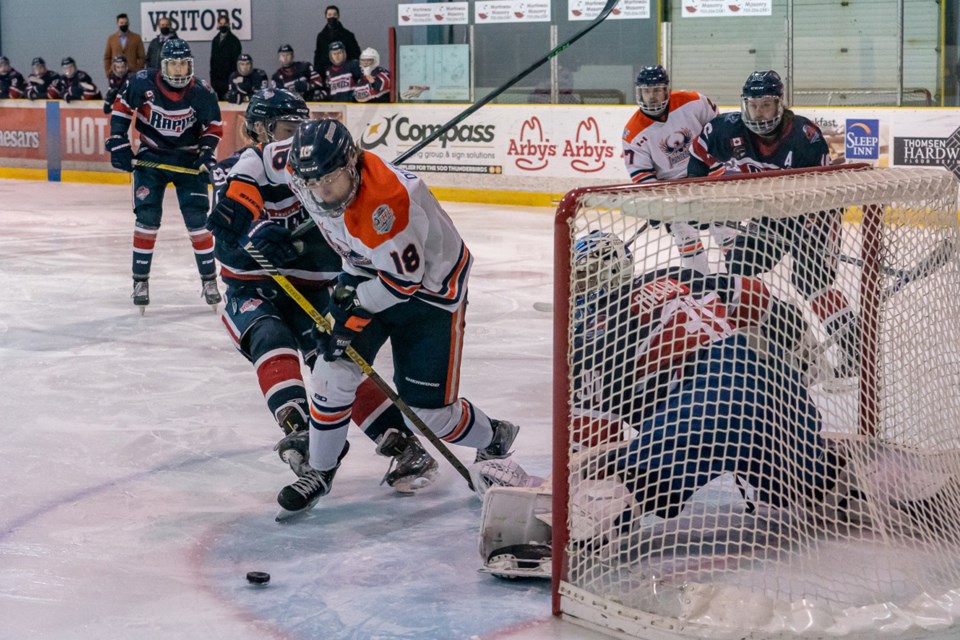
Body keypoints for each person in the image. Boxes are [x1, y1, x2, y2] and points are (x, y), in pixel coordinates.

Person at [208, 118, 519, 517]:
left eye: (331, 181)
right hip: (368, 273)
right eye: (312, 183)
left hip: (431, 295)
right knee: (330, 371)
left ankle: (494, 435)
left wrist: (346, 315)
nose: (321, 193)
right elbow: (257, 159)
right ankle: (320, 472)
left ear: (352, 163)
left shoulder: (387, 205)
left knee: (430, 412)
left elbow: (401, 285)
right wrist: (242, 202)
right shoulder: (308, 164)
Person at [206, 89, 439, 498]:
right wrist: (257, 233)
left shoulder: (317, 173)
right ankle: (299, 429)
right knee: (268, 336)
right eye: (286, 129)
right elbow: (226, 236)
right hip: (252, 285)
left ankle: (399, 441)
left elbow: (344, 248)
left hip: (312, 287)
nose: (295, 139)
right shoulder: (235, 170)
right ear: (260, 129)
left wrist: (323, 229)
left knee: (333, 357)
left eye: (300, 128)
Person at [687, 70, 859, 375]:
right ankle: (758, 351)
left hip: (815, 215)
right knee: (739, 270)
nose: (758, 112)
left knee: (811, 282)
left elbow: (822, 196)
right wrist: (696, 202)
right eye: (753, 105)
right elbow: (698, 157)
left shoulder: (805, 136)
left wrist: (806, 235)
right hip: (771, 215)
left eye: (765, 105)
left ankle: (854, 349)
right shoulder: (725, 129)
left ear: (780, 104)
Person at [106, 38, 223, 310]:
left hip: (189, 159)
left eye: (184, 65)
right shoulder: (142, 82)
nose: (180, 71)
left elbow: (213, 128)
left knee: (197, 221)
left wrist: (207, 154)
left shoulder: (202, 92)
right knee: (147, 218)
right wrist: (118, 140)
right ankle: (140, 280)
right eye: (174, 65)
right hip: (151, 156)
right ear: (162, 66)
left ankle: (209, 279)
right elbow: (122, 108)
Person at [622, 65, 733, 276]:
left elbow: (718, 132)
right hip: (675, 194)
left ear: (666, 90)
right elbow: (642, 174)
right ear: (639, 93)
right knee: (686, 238)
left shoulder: (693, 101)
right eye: (647, 91)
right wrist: (656, 205)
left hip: (710, 178)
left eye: (657, 90)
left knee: (727, 233)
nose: (652, 96)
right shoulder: (633, 133)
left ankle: (741, 284)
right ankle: (702, 290)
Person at [313, 5, 360, 77]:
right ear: (325, 16)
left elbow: (356, 54)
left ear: (338, 16)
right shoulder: (321, 37)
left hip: (346, 73)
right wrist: (318, 73)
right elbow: (318, 56)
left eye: (335, 15)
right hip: (327, 74)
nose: (332, 17)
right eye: (329, 15)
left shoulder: (348, 35)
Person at [209, 15, 242, 101]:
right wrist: (213, 80)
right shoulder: (215, 40)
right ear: (218, 24)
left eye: (225, 23)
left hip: (229, 79)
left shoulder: (234, 41)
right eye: (221, 23)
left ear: (228, 24)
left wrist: (233, 79)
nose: (223, 25)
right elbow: (213, 61)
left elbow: (236, 63)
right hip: (217, 81)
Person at [103, 13, 145, 79]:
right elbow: (107, 57)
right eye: (121, 23)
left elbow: (142, 56)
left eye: (126, 23)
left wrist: (138, 70)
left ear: (128, 23)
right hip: (115, 73)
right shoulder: (111, 38)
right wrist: (108, 72)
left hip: (132, 73)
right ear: (117, 24)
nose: (124, 25)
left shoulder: (136, 38)